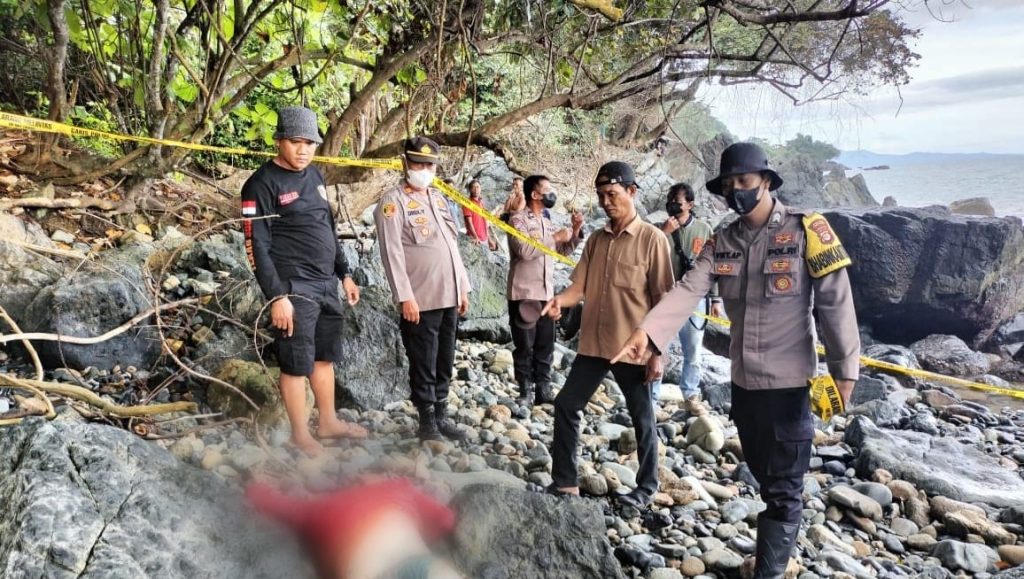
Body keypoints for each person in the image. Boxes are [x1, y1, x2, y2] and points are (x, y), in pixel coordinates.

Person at [612, 142, 860, 577]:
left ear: (766, 181)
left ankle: (769, 570)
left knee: (784, 488)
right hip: (743, 387)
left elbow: (836, 302)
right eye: (728, 185)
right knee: (766, 477)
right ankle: (771, 554)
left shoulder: (808, 230)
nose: (736, 191)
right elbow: (688, 290)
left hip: (790, 388)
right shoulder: (722, 240)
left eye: (743, 181)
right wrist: (648, 334)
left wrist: (845, 372)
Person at [540, 161, 673, 509]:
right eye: (601, 195)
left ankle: (646, 487)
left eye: (612, 194)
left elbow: (664, 300)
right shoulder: (597, 241)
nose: (606, 202)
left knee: (642, 418)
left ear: (632, 191)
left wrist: (658, 352)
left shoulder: (653, 240)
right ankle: (565, 483)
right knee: (567, 404)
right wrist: (559, 301)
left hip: (633, 348)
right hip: (593, 344)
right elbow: (578, 288)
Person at [241, 105, 368, 456]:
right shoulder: (260, 185)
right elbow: (256, 245)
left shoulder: (314, 175)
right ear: (279, 140)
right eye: (296, 142)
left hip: (326, 283)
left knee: (324, 357)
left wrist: (345, 274)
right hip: (294, 288)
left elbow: (327, 227)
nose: (303, 150)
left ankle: (328, 422)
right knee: (296, 364)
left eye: (310, 143)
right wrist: (277, 296)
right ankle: (300, 434)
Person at [375, 137, 472, 443]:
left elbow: (452, 246)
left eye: (430, 165)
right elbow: (391, 253)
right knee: (423, 359)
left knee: (444, 357)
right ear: (405, 164)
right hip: (420, 298)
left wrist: (463, 288)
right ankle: (427, 422)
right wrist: (404, 296)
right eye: (419, 164)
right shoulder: (393, 202)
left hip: (449, 293)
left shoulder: (439, 198)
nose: (425, 170)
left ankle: (441, 415)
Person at [506, 174, 584, 408]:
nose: (552, 194)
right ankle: (525, 390)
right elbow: (524, 251)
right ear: (535, 194)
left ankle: (543, 388)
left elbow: (562, 251)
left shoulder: (547, 221)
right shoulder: (517, 220)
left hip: (546, 294)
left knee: (545, 344)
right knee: (525, 346)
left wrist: (575, 231)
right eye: (547, 190)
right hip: (524, 293)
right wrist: (555, 237)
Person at [648, 182, 723, 409]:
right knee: (658, 347)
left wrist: (715, 299)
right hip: (665, 296)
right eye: (670, 201)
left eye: (678, 202)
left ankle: (690, 394)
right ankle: (652, 396)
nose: (673, 205)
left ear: (690, 204)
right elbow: (647, 255)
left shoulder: (704, 229)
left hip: (695, 298)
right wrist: (664, 233)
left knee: (693, 349)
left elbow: (712, 266)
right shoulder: (659, 229)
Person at [462, 180, 490, 247]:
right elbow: (469, 223)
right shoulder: (467, 203)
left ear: (480, 188)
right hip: (475, 239)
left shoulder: (481, 202)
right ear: (470, 189)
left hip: (484, 238)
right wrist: (475, 237)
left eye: (477, 187)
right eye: (473, 187)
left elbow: (485, 221)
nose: (476, 189)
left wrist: (489, 239)